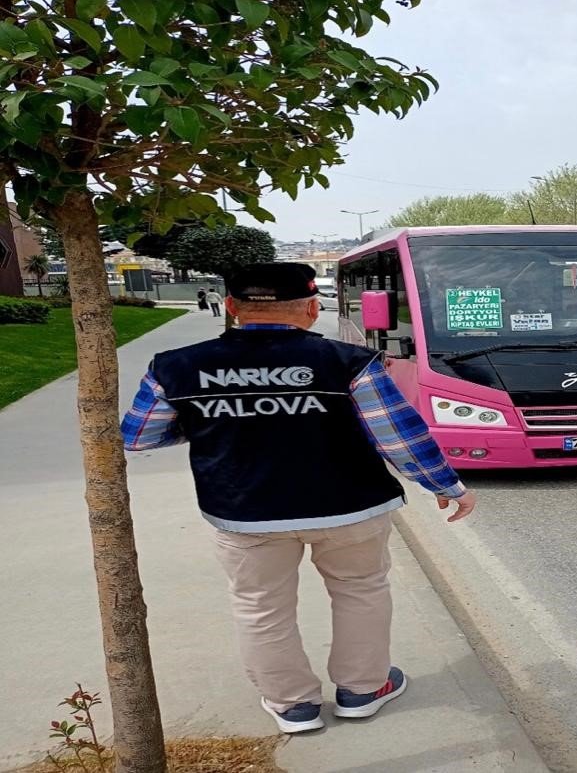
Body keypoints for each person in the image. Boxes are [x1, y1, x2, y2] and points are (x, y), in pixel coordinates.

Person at [120, 263, 477, 734]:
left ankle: (293, 706)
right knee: (361, 591)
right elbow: (397, 437)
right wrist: (446, 486)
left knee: (260, 606)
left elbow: (139, 437)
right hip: (351, 507)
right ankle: (363, 690)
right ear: (312, 308)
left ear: (231, 308)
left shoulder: (176, 365)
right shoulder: (349, 360)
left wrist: (212, 419)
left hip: (244, 513)